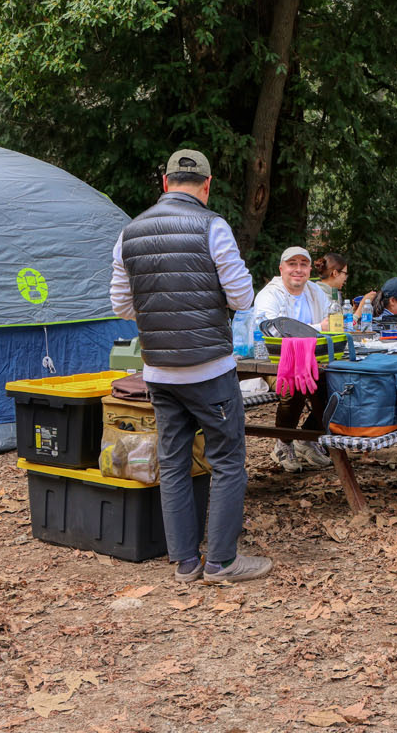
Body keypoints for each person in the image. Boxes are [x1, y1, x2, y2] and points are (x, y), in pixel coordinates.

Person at [110, 148, 272, 585]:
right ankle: (221, 562)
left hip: (158, 372)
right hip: (209, 370)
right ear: (206, 185)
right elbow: (241, 298)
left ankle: (185, 563)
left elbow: (122, 305)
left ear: (164, 184)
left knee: (174, 462)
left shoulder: (129, 233)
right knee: (227, 460)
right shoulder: (212, 226)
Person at [253, 246, 336, 472]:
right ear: (282, 269)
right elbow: (273, 331)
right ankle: (283, 443)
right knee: (294, 383)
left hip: (315, 361)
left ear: (310, 269)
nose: (298, 269)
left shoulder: (316, 292)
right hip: (273, 363)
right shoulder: (269, 295)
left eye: (303, 264)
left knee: (341, 382)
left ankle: (308, 439)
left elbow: (334, 321)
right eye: (292, 264)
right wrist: (320, 327)